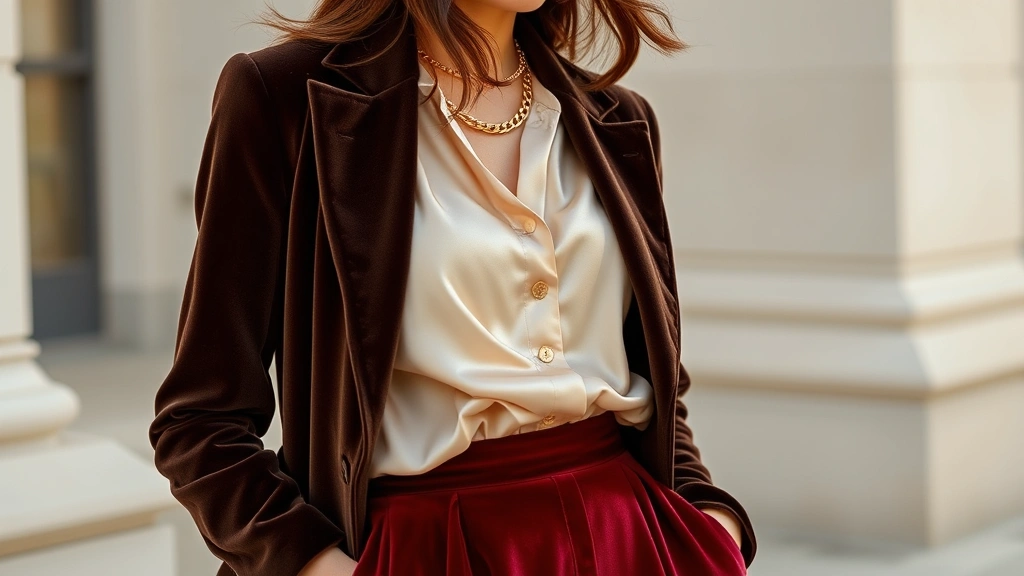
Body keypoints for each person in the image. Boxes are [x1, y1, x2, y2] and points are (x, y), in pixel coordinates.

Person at [148, 0, 757, 574]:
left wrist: (711, 523)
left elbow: (656, 381)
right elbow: (201, 419)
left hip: (633, 540)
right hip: (422, 547)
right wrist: (311, 562)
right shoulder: (287, 98)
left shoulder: (618, 120)